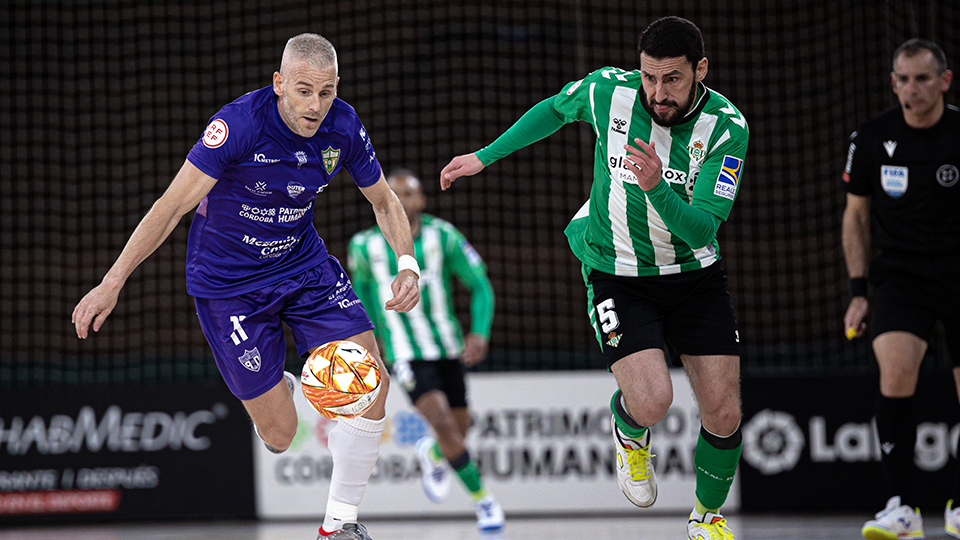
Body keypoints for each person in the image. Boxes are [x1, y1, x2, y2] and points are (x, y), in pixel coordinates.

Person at [71, 33, 420, 540]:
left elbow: (385, 201)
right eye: (303, 91)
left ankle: (338, 525)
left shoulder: (343, 127)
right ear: (279, 84)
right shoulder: (238, 125)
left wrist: (407, 262)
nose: (315, 105)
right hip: (228, 286)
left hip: (303, 268)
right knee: (279, 436)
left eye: (325, 92)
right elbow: (171, 206)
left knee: (372, 383)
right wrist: (111, 282)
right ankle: (288, 384)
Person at [440, 16, 747, 540]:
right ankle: (630, 431)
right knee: (652, 403)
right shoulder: (610, 90)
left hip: (695, 276)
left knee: (723, 412)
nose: (657, 92)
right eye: (650, 77)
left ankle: (706, 518)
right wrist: (482, 157)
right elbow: (554, 111)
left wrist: (654, 187)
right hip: (616, 271)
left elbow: (701, 230)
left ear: (700, 70)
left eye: (671, 79)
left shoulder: (726, 127)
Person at [842, 38, 960, 540]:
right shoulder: (871, 138)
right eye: (902, 79)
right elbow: (856, 217)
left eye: (922, 79)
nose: (910, 89)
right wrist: (859, 290)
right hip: (900, 275)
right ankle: (902, 508)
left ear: (944, 81)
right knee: (894, 373)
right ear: (892, 82)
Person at [346, 169, 504, 532]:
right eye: (393, 193)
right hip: (404, 351)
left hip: (447, 347)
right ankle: (485, 503)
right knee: (444, 422)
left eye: (409, 193)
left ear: (422, 200)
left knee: (460, 428)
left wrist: (479, 333)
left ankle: (433, 454)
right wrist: (373, 340)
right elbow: (362, 295)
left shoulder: (443, 236)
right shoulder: (363, 246)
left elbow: (480, 285)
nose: (401, 200)